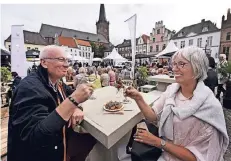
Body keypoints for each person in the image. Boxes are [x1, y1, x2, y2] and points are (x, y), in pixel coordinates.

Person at [125, 46, 229, 161]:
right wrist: (138, 98)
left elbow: (200, 157)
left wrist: (158, 142)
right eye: (174, 64)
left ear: (197, 67)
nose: (174, 68)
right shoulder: (172, 91)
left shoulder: (210, 107)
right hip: (164, 156)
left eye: (181, 64)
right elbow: (153, 117)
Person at [8, 45, 96, 161]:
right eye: (61, 60)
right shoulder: (29, 88)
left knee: (89, 139)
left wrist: (75, 107)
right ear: (44, 63)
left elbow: (69, 96)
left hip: (58, 147)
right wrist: (74, 101)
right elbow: (35, 137)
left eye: (66, 60)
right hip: (34, 155)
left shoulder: (57, 83)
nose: (66, 64)